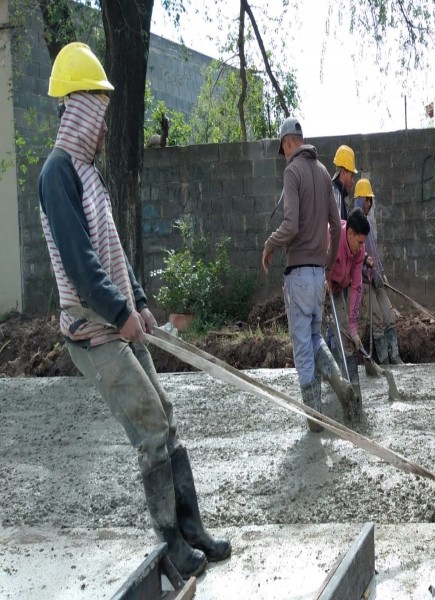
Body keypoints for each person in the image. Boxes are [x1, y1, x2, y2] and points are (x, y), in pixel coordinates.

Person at [38, 42, 228, 579]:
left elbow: (114, 251)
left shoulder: (89, 176)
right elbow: (78, 263)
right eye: (100, 116)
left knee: (165, 414)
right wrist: (119, 312)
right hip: (91, 334)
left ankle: (192, 530)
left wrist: (138, 303)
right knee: (149, 425)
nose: (105, 129)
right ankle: (170, 547)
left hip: (115, 322)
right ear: (81, 111)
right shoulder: (58, 174)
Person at [262, 117, 355, 432]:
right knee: (315, 338)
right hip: (317, 278)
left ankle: (314, 420)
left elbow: (290, 225)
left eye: (283, 148)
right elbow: (337, 227)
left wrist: (269, 244)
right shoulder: (321, 173)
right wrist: (328, 266)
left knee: (302, 346)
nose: (284, 154)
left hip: (298, 274)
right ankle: (339, 382)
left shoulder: (293, 171)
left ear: (288, 142)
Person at [353, 178, 404, 366]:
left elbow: (374, 251)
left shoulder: (368, 223)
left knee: (389, 316)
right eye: (367, 200)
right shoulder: (355, 224)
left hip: (376, 278)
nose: (369, 203)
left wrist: (380, 272)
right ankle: (383, 361)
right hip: (364, 281)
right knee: (378, 320)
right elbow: (358, 254)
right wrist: (368, 270)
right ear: (361, 199)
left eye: (370, 200)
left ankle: (395, 356)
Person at [327, 208, 371, 415]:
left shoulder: (359, 251)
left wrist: (352, 328)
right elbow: (319, 262)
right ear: (350, 233)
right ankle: (327, 384)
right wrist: (324, 282)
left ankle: (354, 400)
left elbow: (356, 287)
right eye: (360, 242)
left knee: (346, 340)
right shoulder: (331, 238)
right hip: (319, 284)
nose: (362, 248)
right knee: (316, 338)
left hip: (338, 290)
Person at [331, 145, 357, 220]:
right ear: (342, 173)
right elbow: (337, 229)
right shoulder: (336, 195)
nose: (353, 181)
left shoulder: (335, 192)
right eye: (351, 176)